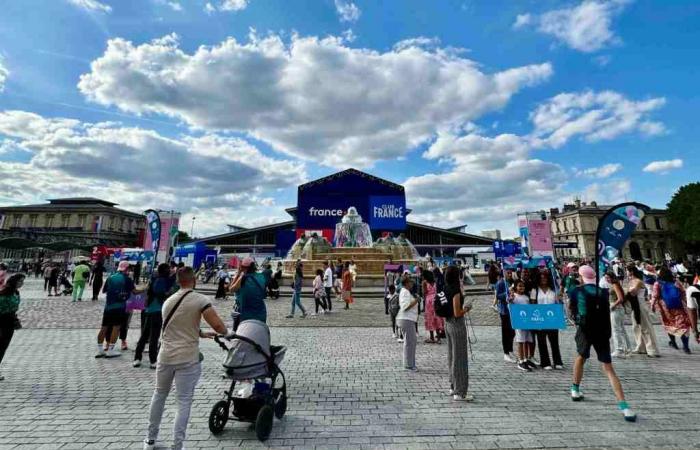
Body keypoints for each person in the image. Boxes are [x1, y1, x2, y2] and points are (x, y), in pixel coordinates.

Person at [143, 267, 228, 450]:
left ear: (177, 281)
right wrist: (227, 333)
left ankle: (150, 440)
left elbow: (177, 325)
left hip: (165, 356)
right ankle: (177, 445)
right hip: (187, 358)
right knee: (183, 401)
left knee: (159, 395)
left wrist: (200, 333)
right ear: (194, 280)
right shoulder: (200, 300)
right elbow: (218, 324)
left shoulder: (168, 301)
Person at [569, 265, 637, 422]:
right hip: (601, 331)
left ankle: (575, 389)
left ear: (581, 277)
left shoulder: (577, 291)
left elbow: (573, 310)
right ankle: (624, 406)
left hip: (585, 330)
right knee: (608, 368)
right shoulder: (604, 292)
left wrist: (576, 319)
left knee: (581, 357)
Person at [96, 261, 142, 358]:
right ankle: (111, 350)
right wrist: (145, 289)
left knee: (104, 327)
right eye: (129, 269)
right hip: (120, 307)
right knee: (116, 328)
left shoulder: (110, 278)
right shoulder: (127, 279)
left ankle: (100, 350)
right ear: (126, 269)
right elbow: (135, 292)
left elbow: (104, 291)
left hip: (108, 307)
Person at [134, 263, 174, 369]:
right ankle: (153, 360)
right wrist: (168, 293)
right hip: (157, 311)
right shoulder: (162, 281)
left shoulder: (154, 279)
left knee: (145, 335)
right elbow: (160, 292)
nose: (170, 270)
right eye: (168, 269)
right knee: (154, 336)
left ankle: (137, 358)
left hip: (149, 310)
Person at [443, 265, 473, 401]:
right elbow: (457, 312)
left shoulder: (445, 288)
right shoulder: (455, 290)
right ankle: (460, 391)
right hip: (456, 325)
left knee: (451, 356)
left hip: (447, 324)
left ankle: (452, 385)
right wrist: (466, 308)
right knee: (460, 357)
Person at [651, 266, 692, 354]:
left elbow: (654, 296)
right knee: (683, 325)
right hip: (678, 306)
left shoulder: (658, 283)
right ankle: (686, 347)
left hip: (665, 308)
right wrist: (686, 303)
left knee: (669, 324)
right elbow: (683, 292)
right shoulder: (676, 282)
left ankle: (673, 343)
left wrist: (652, 306)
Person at [626, 264, 660, 357]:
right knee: (636, 326)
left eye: (627, 270)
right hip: (634, 305)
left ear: (632, 271)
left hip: (640, 305)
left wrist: (623, 294)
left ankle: (652, 349)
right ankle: (641, 347)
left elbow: (633, 293)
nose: (627, 272)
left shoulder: (638, 281)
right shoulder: (630, 281)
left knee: (646, 327)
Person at [532, 271, 563, 370]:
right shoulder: (535, 290)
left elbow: (559, 303)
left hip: (552, 318)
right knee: (542, 341)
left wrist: (560, 299)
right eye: (541, 278)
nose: (543, 279)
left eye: (545, 277)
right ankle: (545, 362)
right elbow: (532, 304)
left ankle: (557, 361)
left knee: (554, 341)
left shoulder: (554, 289)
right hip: (540, 318)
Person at [228, 257, 269, 330]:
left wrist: (238, 274)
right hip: (260, 312)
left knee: (241, 335)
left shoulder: (243, 278)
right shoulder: (261, 276)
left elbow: (231, 289)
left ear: (243, 267)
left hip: (245, 314)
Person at [0, 274, 25, 381]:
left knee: (3, 347)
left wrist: (15, 319)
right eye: (20, 281)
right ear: (14, 281)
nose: (22, 283)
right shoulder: (3, 293)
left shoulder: (16, 292)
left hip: (10, 322)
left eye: (22, 281)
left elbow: (14, 309)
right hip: (1, 321)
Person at [601, 271, 632, 358]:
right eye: (605, 278)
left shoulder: (614, 285)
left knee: (616, 330)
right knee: (621, 329)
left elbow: (620, 298)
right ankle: (627, 349)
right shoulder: (614, 284)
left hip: (616, 308)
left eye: (608, 277)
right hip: (618, 308)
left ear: (612, 277)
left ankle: (619, 349)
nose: (607, 279)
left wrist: (612, 306)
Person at [511, 280, 535, 372]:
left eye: (523, 286)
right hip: (519, 322)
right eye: (519, 286)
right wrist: (511, 297)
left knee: (527, 341)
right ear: (516, 287)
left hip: (527, 322)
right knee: (520, 341)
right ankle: (521, 360)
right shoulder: (514, 297)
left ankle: (525, 359)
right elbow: (510, 303)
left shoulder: (526, 297)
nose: (521, 288)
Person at [396, 275, 418, 371]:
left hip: (408, 319)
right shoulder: (405, 292)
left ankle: (409, 363)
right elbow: (405, 306)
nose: (412, 284)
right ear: (407, 283)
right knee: (410, 342)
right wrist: (416, 301)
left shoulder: (406, 292)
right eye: (410, 282)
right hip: (406, 319)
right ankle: (409, 365)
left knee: (410, 342)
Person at [495, 269, 516, 363]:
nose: (510, 274)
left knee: (512, 332)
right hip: (504, 311)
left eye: (510, 272)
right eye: (508, 273)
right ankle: (506, 352)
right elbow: (498, 296)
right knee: (506, 332)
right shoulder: (500, 283)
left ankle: (510, 349)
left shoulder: (511, 281)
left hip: (512, 310)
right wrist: (507, 293)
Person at [422, 270, 443, 344]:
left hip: (429, 301)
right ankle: (438, 337)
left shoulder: (425, 282)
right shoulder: (435, 281)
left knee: (430, 318)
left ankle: (431, 337)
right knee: (436, 317)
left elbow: (424, 292)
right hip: (435, 299)